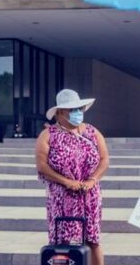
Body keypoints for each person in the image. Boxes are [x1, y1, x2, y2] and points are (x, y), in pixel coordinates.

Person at [35, 89, 109, 265]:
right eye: (72, 110)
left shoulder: (92, 132)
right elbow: (42, 166)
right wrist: (66, 182)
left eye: (80, 109)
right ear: (60, 112)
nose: (78, 113)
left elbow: (105, 159)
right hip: (62, 197)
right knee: (64, 241)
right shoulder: (48, 135)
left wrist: (92, 180)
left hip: (89, 195)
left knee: (93, 240)